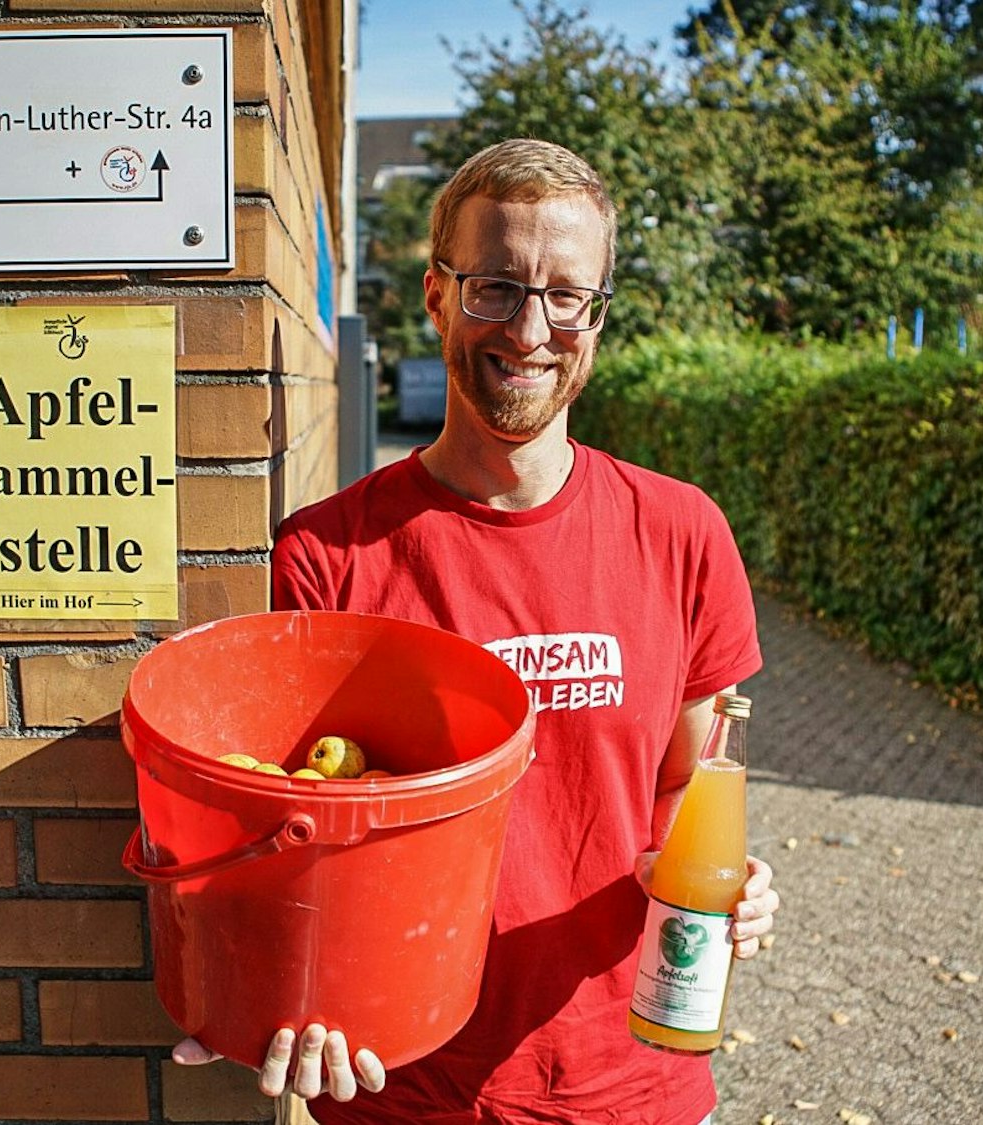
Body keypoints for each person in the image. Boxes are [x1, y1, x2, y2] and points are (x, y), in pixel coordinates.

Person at [173, 137, 781, 1123]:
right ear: (436, 296)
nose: (530, 329)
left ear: (597, 313)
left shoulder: (681, 534)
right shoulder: (328, 557)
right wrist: (265, 989)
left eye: (566, 295)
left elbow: (685, 783)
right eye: (495, 287)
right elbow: (292, 830)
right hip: (402, 1085)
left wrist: (717, 878)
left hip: (629, 1082)